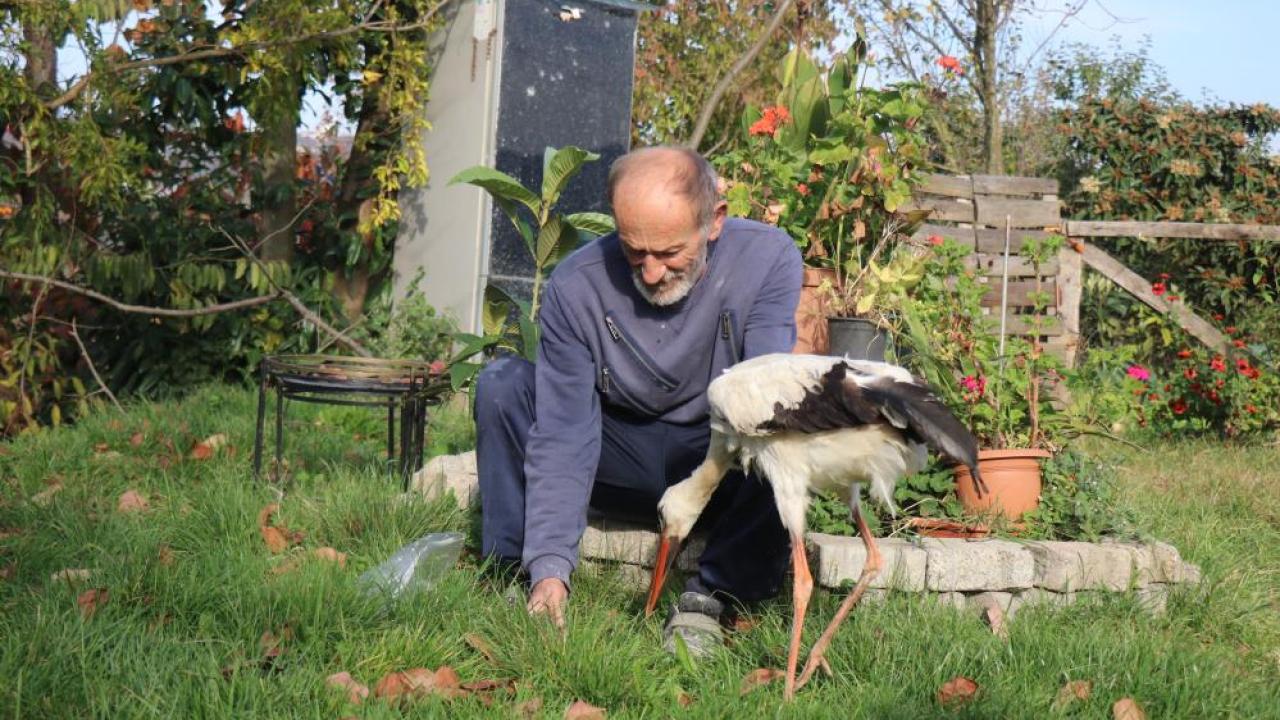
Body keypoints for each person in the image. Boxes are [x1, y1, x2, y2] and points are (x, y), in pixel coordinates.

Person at [473, 145, 802, 651]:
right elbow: (564, 431)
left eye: (670, 254)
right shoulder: (574, 286)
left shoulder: (768, 259)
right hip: (614, 453)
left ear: (714, 220)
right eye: (633, 252)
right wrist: (551, 569)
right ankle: (522, 576)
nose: (651, 273)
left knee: (780, 419)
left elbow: (761, 390)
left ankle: (714, 595)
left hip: (716, 459)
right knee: (503, 386)